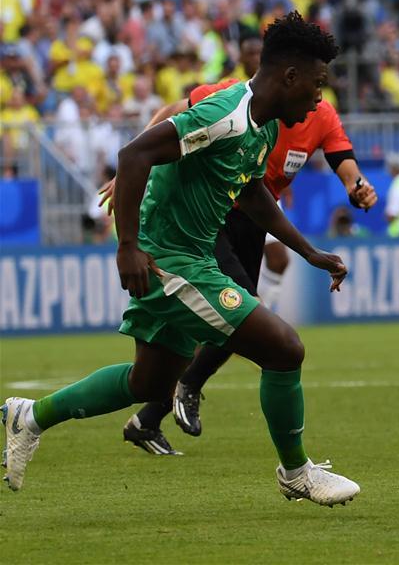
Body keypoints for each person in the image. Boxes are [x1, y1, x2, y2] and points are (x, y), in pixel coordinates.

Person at [3, 12, 361, 506]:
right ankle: (296, 472)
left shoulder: (263, 128)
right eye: (318, 84)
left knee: (148, 380)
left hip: (187, 254)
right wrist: (128, 246)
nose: (321, 98)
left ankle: (31, 415)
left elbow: (253, 194)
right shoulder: (224, 113)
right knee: (284, 348)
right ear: (290, 77)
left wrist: (310, 252)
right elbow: (133, 156)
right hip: (165, 257)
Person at [99, 46, 377, 456]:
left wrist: (356, 187)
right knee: (246, 315)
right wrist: (128, 170)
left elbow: (340, 157)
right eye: (315, 85)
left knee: (208, 332)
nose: (318, 95)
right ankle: (191, 388)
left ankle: (146, 416)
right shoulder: (232, 98)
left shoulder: (316, 114)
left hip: (255, 212)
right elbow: (175, 114)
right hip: (213, 211)